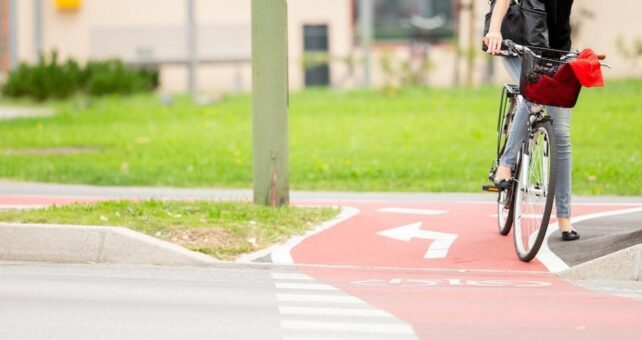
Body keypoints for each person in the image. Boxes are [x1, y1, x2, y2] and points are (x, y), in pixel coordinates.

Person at [483, 0, 580, 241]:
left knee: (562, 135)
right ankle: (506, 163)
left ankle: (565, 218)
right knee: (532, 96)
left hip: (557, 52)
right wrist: (494, 30)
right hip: (518, 45)